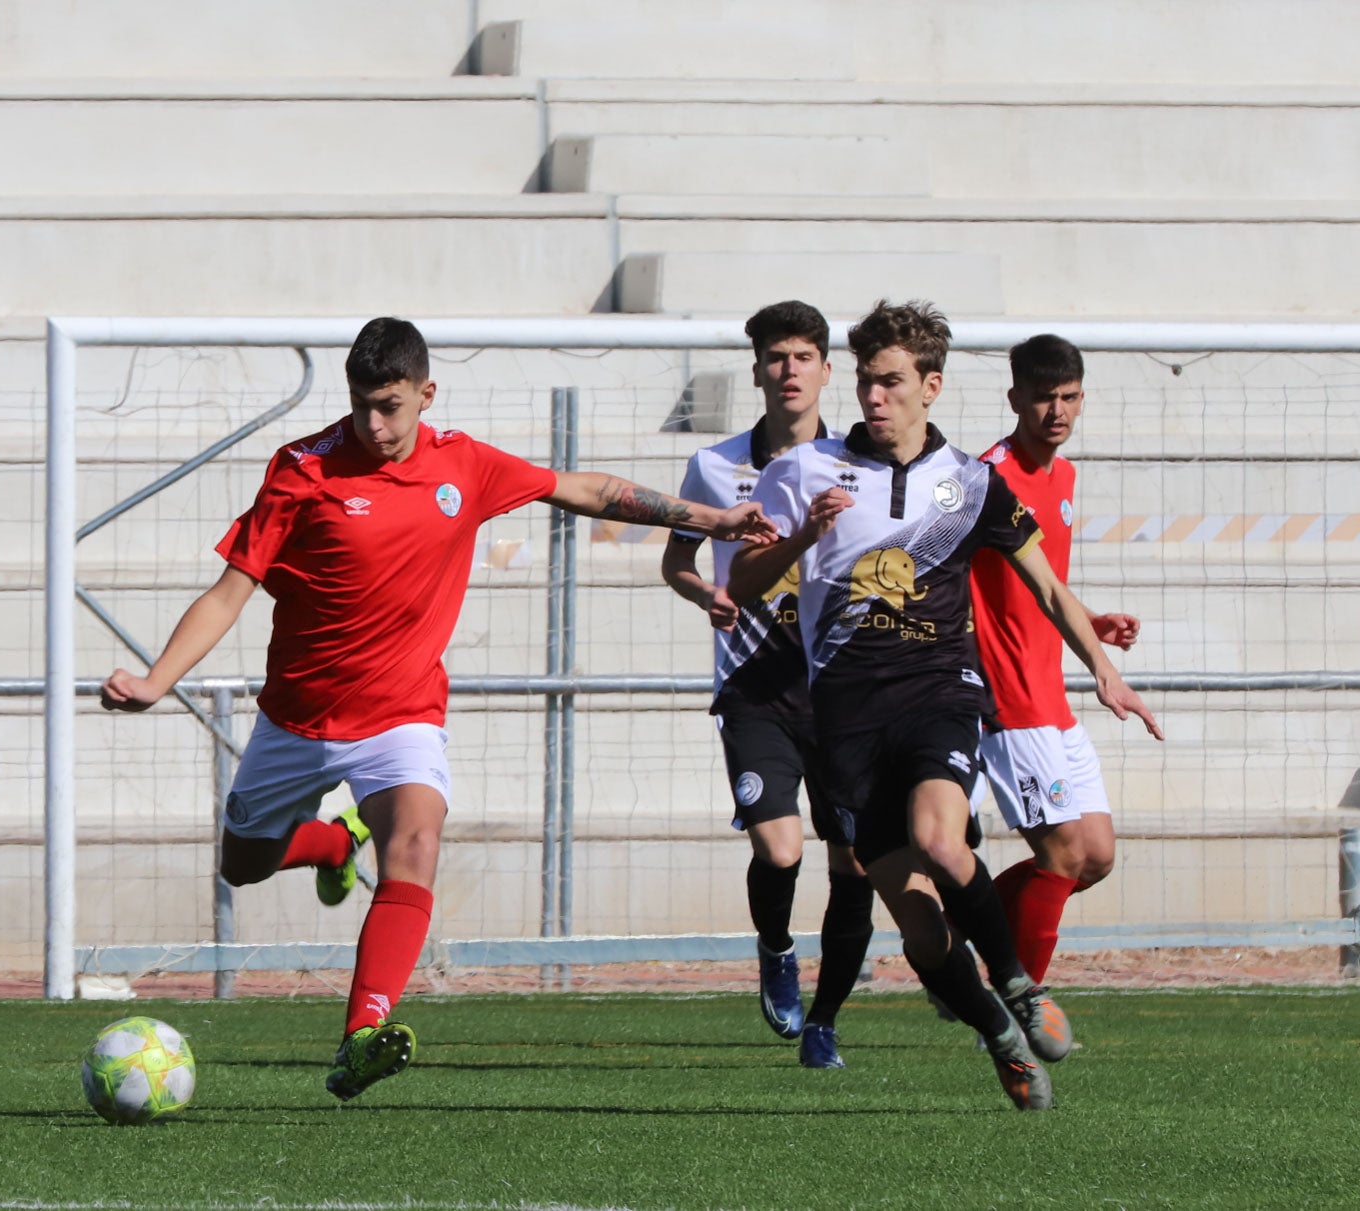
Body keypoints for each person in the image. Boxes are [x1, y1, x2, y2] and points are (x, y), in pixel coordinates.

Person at [101, 317, 774, 1102]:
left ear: (426, 393)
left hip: (402, 715)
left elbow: (585, 490)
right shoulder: (302, 472)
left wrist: (715, 519)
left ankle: (361, 1034)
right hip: (298, 719)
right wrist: (156, 680)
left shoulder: (464, 465)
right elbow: (229, 592)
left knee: (415, 845)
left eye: (389, 405)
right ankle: (326, 846)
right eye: (361, 406)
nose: (374, 424)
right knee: (241, 864)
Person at [727, 301, 1162, 1111]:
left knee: (941, 835)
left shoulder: (970, 482)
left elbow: (1046, 585)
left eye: (892, 382)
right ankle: (998, 1033)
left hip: (939, 694)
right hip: (846, 719)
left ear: (931, 385)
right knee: (921, 928)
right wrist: (798, 539)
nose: (875, 398)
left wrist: (1102, 668)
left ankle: (1022, 990)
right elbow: (742, 585)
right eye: (867, 382)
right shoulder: (806, 473)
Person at [662, 300, 876, 1070]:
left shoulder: (858, 462)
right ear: (757, 370)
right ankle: (777, 946)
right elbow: (676, 561)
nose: (790, 370)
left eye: (804, 356)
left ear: (826, 370)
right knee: (781, 850)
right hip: (754, 686)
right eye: (776, 357)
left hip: (842, 690)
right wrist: (703, 594)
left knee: (853, 861)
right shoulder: (715, 466)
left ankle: (825, 1020)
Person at [973, 335, 1138, 999]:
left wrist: (1088, 625)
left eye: (1069, 397)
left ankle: (965, 925)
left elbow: (1042, 588)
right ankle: (1021, 1007)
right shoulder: (985, 480)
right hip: (1009, 699)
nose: (1057, 411)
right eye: (1043, 398)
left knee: (1094, 856)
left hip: (1051, 694)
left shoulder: (1063, 477)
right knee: (1064, 853)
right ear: (1015, 399)